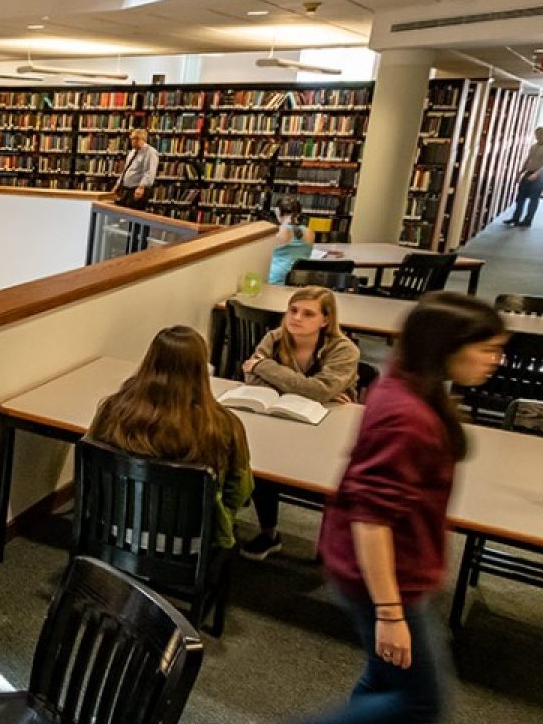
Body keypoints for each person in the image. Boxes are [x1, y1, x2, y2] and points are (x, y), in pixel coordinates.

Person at [258, 292, 507, 724]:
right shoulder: (409, 416)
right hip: (382, 577)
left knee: (384, 678)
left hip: (393, 567)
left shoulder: (408, 385)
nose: (496, 360)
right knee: (425, 700)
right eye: (487, 349)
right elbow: (372, 520)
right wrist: (391, 613)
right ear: (448, 347)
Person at [87, 325, 253, 555]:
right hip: (191, 543)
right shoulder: (224, 425)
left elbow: (91, 464)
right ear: (201, 370)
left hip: (118, 528)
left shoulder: (113, 411)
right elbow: (240, 489)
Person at [237, 287, 359, 559]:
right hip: (279, 418)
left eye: (308, 313)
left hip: (326, 426)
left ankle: (332, 546)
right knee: (261, 462)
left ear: (325, 320)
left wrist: (264, 367)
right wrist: (310, 388)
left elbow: (319, 390)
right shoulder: (274, 338)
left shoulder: (344, 349)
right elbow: (251, 381)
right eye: (293, 310)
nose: (296, 318)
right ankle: (269, 533)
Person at [503, 127, 543, 228]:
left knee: (534, 198)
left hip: (542, 176)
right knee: (520, 197)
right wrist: (520, 172)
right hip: (529, 173)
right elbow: (528, 159)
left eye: (540, 135)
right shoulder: (534, 146)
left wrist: (537, 173)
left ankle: (528, 220)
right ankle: (516, 218)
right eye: (536, 135)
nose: (538, 137)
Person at [267, 196, 316, 285]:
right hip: (300, 282)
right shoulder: (310, 232)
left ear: (278, 211)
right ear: (299, 213)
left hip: (276, 280)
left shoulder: (279, 231)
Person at [113, 128, 158, 210]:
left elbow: (149, 172)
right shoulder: (132, 152)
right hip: (126, 189)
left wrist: (141, 188)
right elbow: (126, 169)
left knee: (133, 214)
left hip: (137, 189)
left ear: (142, 139)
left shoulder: (150, 152)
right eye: (132, 139)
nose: (132, 141)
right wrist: (118, 184)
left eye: (134, 139)